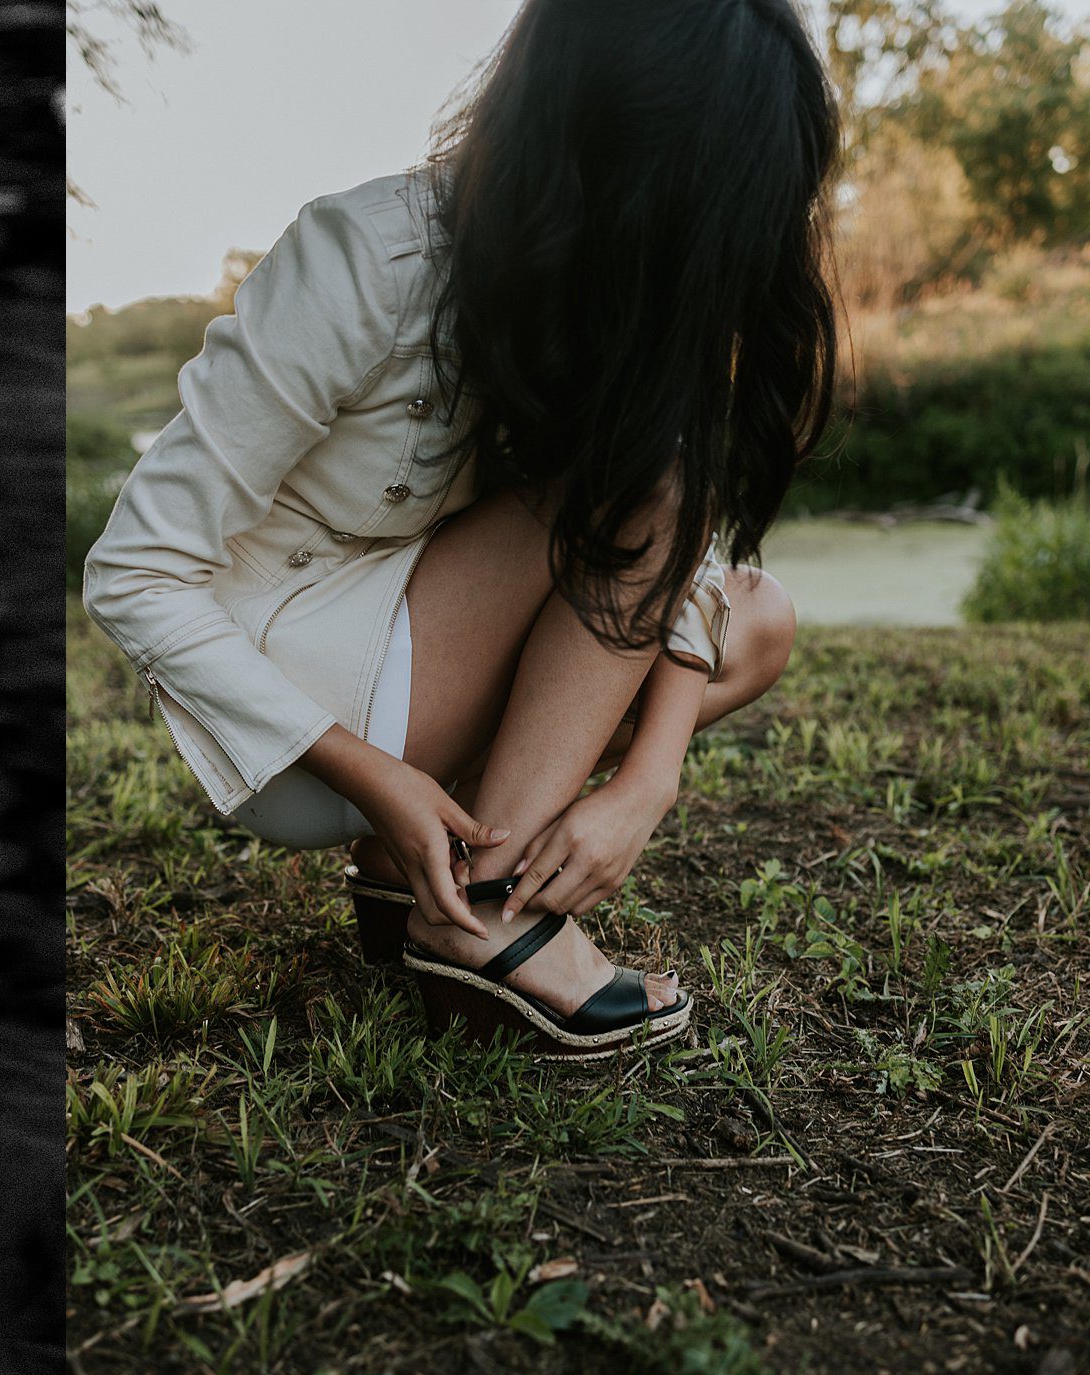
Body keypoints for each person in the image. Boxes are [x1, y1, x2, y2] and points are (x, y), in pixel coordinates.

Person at [82, 0, 832, 1060]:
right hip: (302, 717)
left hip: (415, 659)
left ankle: (415, 883)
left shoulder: (602, 294)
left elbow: (698, 565)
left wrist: (646, 780)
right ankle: (484, 914)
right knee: (649, 492)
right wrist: (372, 777)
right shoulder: (361, 259)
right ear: (622, 155)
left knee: (754, 618)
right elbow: (132, 572)